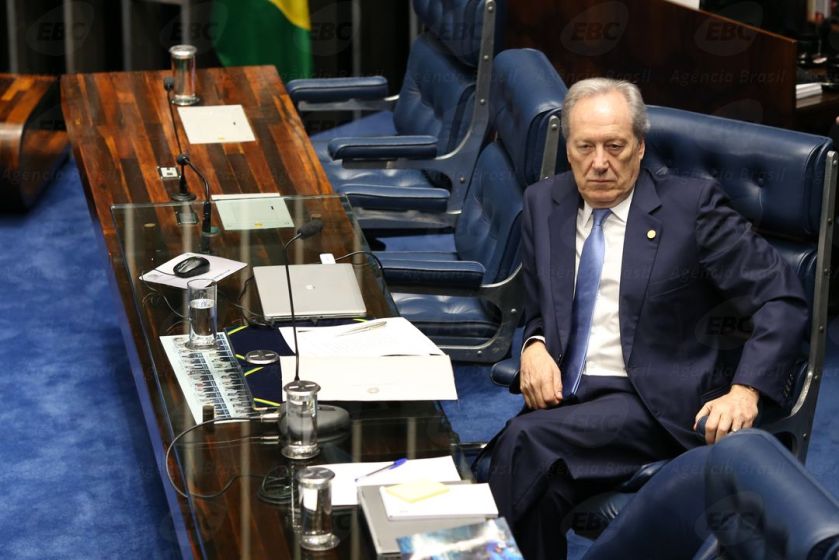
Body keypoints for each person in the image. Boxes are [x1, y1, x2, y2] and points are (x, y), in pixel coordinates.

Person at [485, 78, 808, 560]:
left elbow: (782, 298)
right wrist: (533, 346)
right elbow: (540, 310)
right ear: (567, 149)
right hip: (568, 401)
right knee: (540, 490)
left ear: (640, 147)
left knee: (518, 444)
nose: (599, 163)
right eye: (584, 147)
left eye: (615, 146)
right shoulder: (542, 204)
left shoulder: (692, 207)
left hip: (653, 401)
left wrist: (746, 389)